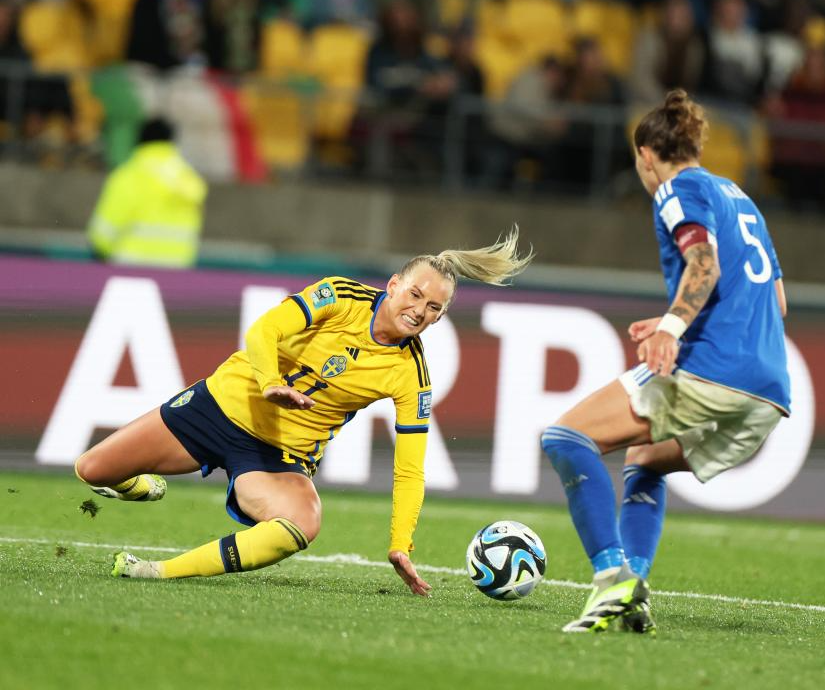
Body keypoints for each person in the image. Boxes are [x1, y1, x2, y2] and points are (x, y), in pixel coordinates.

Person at [73, 229, 532, 594]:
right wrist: (271, 382)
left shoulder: (412, 375)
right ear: (393, 286)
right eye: (414, 295)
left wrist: (400, 544)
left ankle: (157, 572)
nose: (419, 311)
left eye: (435, 308)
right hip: (219, 406)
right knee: (91, 468)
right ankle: (142, 487)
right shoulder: (338, 295)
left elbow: (409, 471)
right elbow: (263, 331)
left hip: (277, 457)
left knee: (303, 524)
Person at [541, 89, 790, 633]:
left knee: (564, 438)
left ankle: (611, 580)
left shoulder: (677, 190)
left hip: (714, 369)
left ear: (646, 155)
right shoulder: (741, 198)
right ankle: (635, 590)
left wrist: (674, 329)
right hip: (769, 392)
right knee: (645, 459)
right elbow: (776, 301)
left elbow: (703, 262)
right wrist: (678, 319)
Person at [86, 117, 207, 268]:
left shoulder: (129, 175)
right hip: (178, 270)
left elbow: (102, 234)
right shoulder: (187, 176)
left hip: (131, 269)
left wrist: (102, 252)